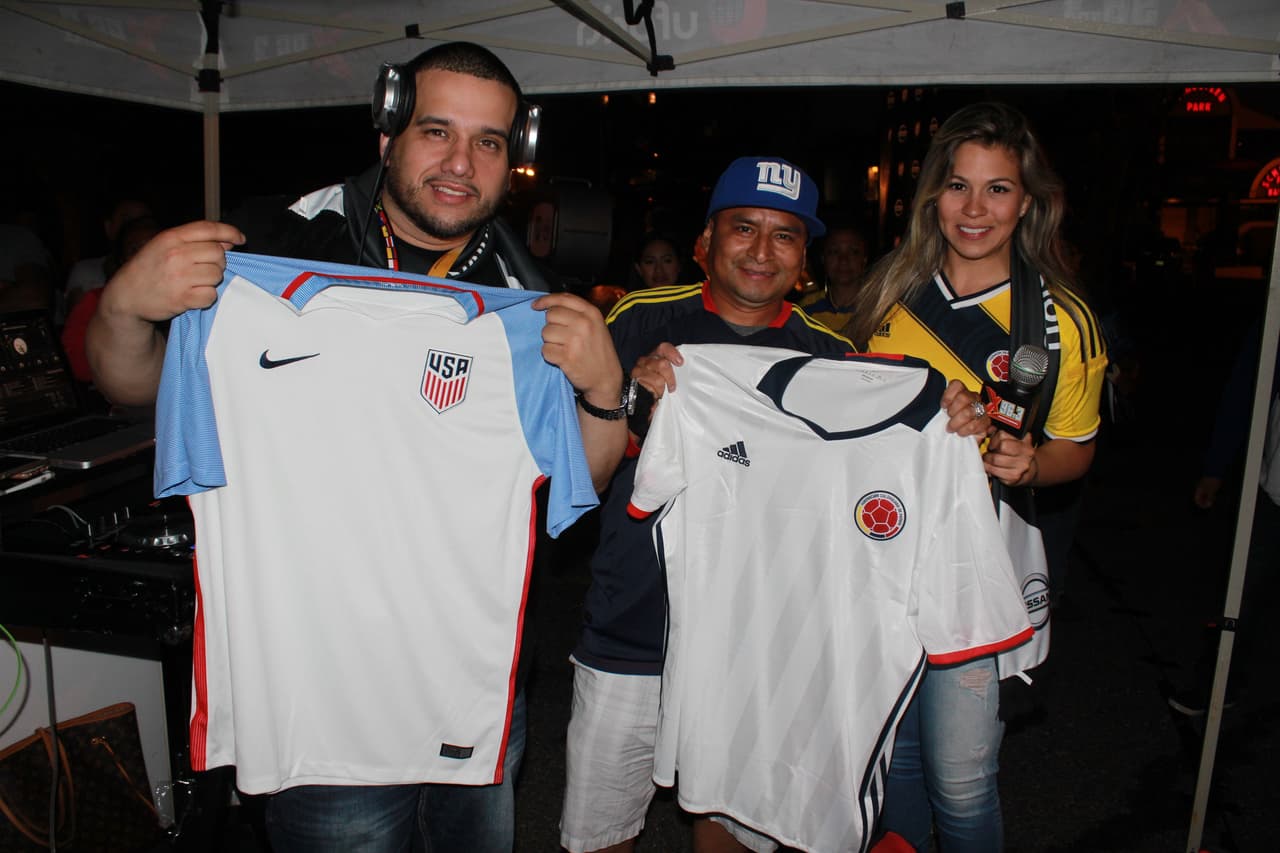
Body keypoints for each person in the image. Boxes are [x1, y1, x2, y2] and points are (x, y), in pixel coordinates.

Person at [85, 41, 628, 853]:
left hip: (472, 689)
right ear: (386, 132)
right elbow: (135, 389)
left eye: (487, 142)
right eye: (436, 130)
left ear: (513, 160)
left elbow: (575, 477)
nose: (460, 161)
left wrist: (604, 394)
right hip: (319, 698)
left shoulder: (528, 300)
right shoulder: (269, 253)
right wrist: (126, 308)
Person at [560, 155, 992, 853]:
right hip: (631, 626)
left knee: (730, 828)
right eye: (744, 228)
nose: (762, 251)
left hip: (754, 644)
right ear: (706, 242)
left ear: (804, 258)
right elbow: (581, 474)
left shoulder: (833, 356)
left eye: (785, 235)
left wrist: (953, 420)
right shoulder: (640, 323)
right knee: (599, 833)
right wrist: (630, 400)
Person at [847, 102, 1108, 851]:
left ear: (1028, 201)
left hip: (977, 568)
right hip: (879, 559)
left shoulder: (1062, 319)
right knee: (891, 761)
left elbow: (1077, 450)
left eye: (998, 189)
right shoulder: (886, 290)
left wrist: (1030, 460)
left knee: (961, 782)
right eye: (959, 186)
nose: (975, 208)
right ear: (933, 194)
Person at [63, 214, 161, 383]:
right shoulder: (96, 302)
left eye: (155, 247)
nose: (147, 257)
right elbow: (76, 365)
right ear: (122, 260)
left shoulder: (198, 301)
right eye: (136, 250)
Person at [63, 197, 152, 313]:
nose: (137, 227)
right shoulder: (85, 273)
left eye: (143, 219)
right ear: (109, 227)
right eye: (126, 219)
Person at [798, 220, 870, 333]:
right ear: (823, 259)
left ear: (864, 259)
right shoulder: (806, 309)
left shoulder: (877, 308)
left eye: (853, 252)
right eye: (834, 252)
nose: (843, 260)